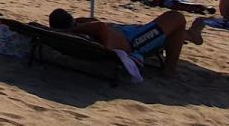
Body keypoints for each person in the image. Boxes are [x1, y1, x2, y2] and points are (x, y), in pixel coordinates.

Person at [48, 7, 207, 77]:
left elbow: (96, 24)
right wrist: (74, 28)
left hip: (130, 33)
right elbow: (100, 26)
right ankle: (170, 69)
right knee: (176, 17)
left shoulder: (80, 30)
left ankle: (191, 35)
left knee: (169, 26)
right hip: (136, 42)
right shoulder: (82, 32)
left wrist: (78, 23)